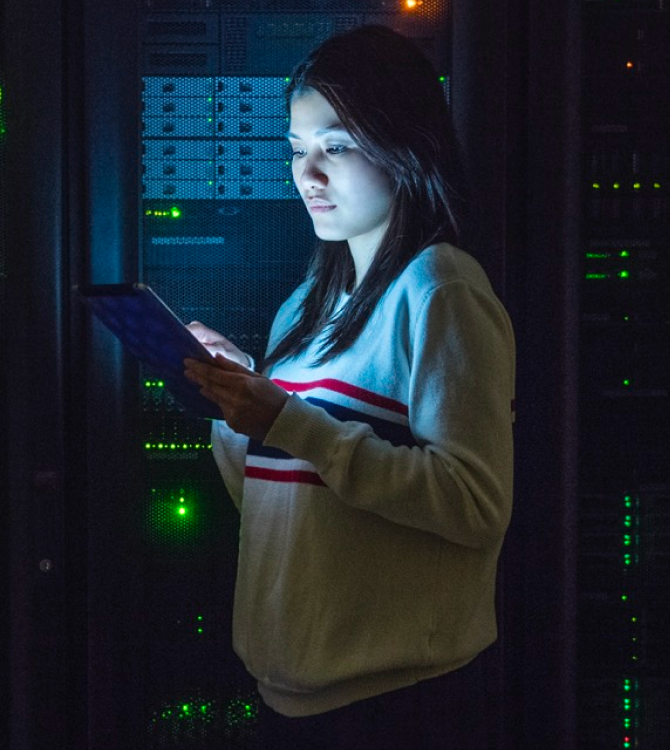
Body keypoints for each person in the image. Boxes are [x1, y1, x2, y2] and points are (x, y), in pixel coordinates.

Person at [181, 25, 515, 749]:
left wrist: (292, 421)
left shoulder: (440, 287)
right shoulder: (304, 306)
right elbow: (272, 504)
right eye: (297, 149)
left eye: (336, 145)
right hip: (291, 697)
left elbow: (475, 505)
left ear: (404, 145)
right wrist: (236, 406)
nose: (310, 174)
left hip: (398, 707)